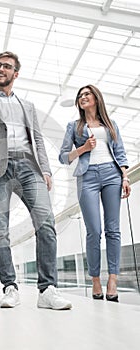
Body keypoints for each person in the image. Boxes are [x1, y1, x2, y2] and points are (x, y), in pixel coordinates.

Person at [0, 51, 72, 310]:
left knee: (46, 223)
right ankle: (10, 287)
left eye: (6, 66)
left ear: (16, 73)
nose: (0, 69)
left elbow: (37, 139)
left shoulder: (27, 105)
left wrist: (46, 170)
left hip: (29, 167)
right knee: (0, 231)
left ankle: (47, 289)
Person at [59, 84, 131, 302]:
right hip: (87, 177)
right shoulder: (74, 126)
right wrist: (83, 149)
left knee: (113, 230)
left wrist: (125, 177)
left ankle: (113, 280)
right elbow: (63, 157)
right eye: (80, 96)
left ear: (96, 98)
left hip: (112, 175)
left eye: (87, 94)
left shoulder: (110, 124)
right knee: (94, 231)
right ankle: (95, 280)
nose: (83, 97)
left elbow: (120, 152)